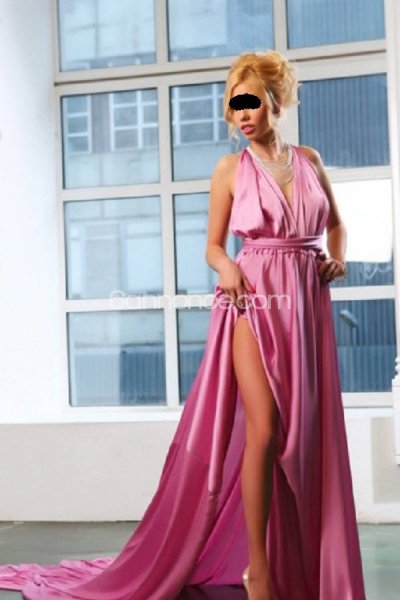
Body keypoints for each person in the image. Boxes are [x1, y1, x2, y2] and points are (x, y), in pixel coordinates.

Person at [0, 50, 367, 600]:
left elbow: (336, 225)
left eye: (250, 102)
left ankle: (299, 557)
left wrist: (337, 259)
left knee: (303, 438)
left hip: (306, 307)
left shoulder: (309, 161)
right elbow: (213, 247)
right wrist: (228, 268)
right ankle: (259, 568)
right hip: (252, 302)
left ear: (275, 101)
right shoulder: (229, 170)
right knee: (265, 432)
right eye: (233, 105)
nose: (241, 114)